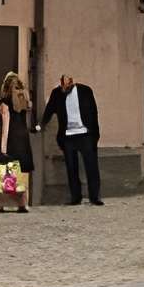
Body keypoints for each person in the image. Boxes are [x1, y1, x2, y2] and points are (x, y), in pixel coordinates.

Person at [45, 72, 104, 206]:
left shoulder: (85, 91)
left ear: (72, 82)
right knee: (71, 168)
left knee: (91, 166)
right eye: (63, 86)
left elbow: (94, 112)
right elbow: (49, 111)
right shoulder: (57, 94)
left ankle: (95, 197)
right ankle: (75, 197)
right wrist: (39, 126)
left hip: (85, 134)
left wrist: (95, 134)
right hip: (68, 136)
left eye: (67, 85)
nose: (65, 88)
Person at [0, 73, 35, 212]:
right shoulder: (23, 102)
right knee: (21, 171)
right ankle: (23, 204)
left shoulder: (4, 102)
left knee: (0, 168)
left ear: (5, 86)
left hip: (11, 140)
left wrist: (2, 149)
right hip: (23, 140)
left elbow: (6, 125)